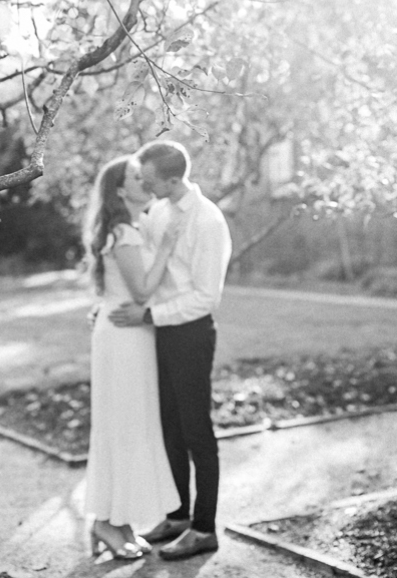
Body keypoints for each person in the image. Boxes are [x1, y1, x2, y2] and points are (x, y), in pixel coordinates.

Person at [109, 139, 232, 562]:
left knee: (197, 430)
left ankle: (203, 528)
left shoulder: (209, 221)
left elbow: (205, 298)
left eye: (148, 179)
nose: (142, 185)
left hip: (192, 334)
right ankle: (178, 515)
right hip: (160, 332)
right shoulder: (158, 211)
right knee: (169, 428)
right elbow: (141, 270)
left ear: (174, 179)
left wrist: (149, 316)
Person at [82, 156, 182, 560]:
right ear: (120, 190)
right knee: (121, 427)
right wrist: (168, 248)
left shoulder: (131, 226)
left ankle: (116, 521)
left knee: (125, 426)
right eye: (135, 178)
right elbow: (141, 292)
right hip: (124, 337)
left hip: (129, 334)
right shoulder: (123, 230)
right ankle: (106, 522)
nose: (145, 181)